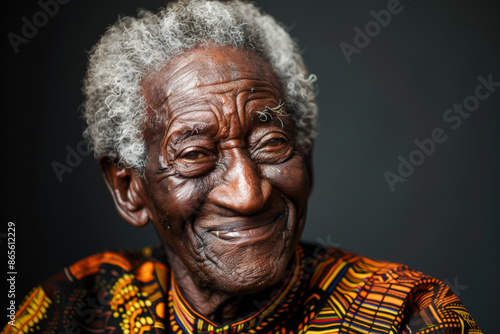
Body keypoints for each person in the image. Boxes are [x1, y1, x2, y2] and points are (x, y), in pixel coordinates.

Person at [3, 0, 481, 333]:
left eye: (271, 143)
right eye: (194, 155)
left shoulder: (408, 315)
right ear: (129, 188)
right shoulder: (74, 306)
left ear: (306, 156)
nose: (248, 193)